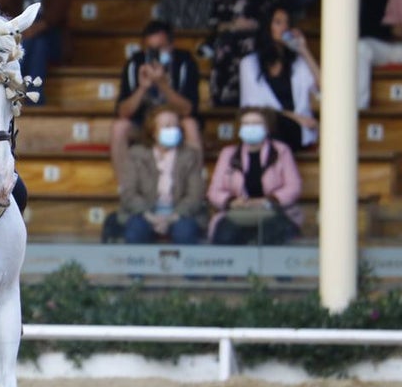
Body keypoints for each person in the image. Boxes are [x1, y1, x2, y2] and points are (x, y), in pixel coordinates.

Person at [111, 19, 201, 178]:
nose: (156, 54)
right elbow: (123, 112)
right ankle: (126, 185)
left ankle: (193, 184)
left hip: (175, 122)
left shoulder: (184, 62)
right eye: (151, 50)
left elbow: (187, 110)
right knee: (119, 127)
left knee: (191, 125)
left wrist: (163, 85)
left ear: (171, 46)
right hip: (144, 123)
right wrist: (142, 88)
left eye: (160, 48)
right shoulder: (135, 63)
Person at [207, 107, 303, 245]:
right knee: (225, 235)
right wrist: (231, 201)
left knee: (271, 234)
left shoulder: (281, 151)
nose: (251, 127)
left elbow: (294, 186)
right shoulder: (228, 154)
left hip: (274, 212)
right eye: (246, 124)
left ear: (267, 128)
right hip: (238, 213)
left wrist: (268, 201)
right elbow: (214, 190)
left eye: (256, 123)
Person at [206, 0, 281, 107]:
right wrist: (233, 25)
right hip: (231, 40)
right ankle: (224, 103)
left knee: (257, 47)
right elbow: (214, 23)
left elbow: (281, 17)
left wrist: (260, 25)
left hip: (263, 39)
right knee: (224, 48)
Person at [115, 104, 205, 245]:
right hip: (144, 213)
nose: (172, 130)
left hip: (180, 213)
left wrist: (172, 217)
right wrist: (150, 216)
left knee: (185, 231)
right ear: (153, 131)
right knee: (136, 230)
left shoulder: (190, 155)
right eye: (166, 126)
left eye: (175, 126)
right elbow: (129, 193)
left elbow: (195, 195)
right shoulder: (136, 154)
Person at [239, 6, 320, 150]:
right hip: (267, 127)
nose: (284, 27)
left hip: (297, 130)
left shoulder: (298, 63)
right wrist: (295, 117)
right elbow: (255, 107)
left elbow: (324, 88)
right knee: (272, 125)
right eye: (278, 22)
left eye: (287, 23)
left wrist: (304, 50)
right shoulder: (249, 64)